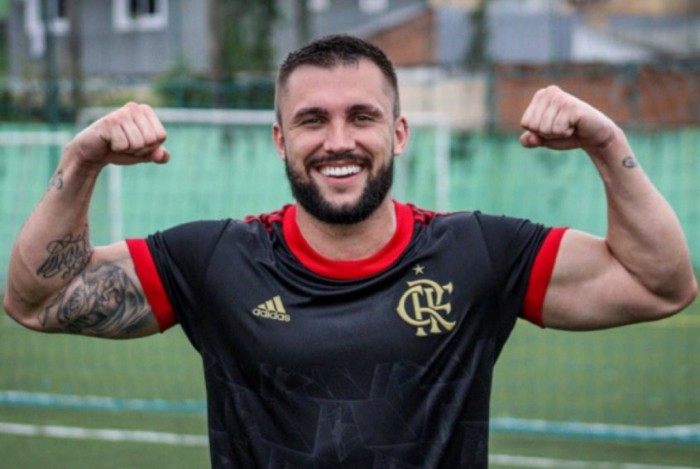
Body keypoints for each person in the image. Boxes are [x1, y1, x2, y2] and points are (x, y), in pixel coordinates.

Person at [4, 35, 696, 468]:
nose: (339, 140)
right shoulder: (215, 258)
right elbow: (37, 301)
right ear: (281, 140)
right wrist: (82, 160)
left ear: (398, 132)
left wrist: (606, 143)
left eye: (361, 116)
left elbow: (659, 284)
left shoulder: (479, 252)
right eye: (313, 119)